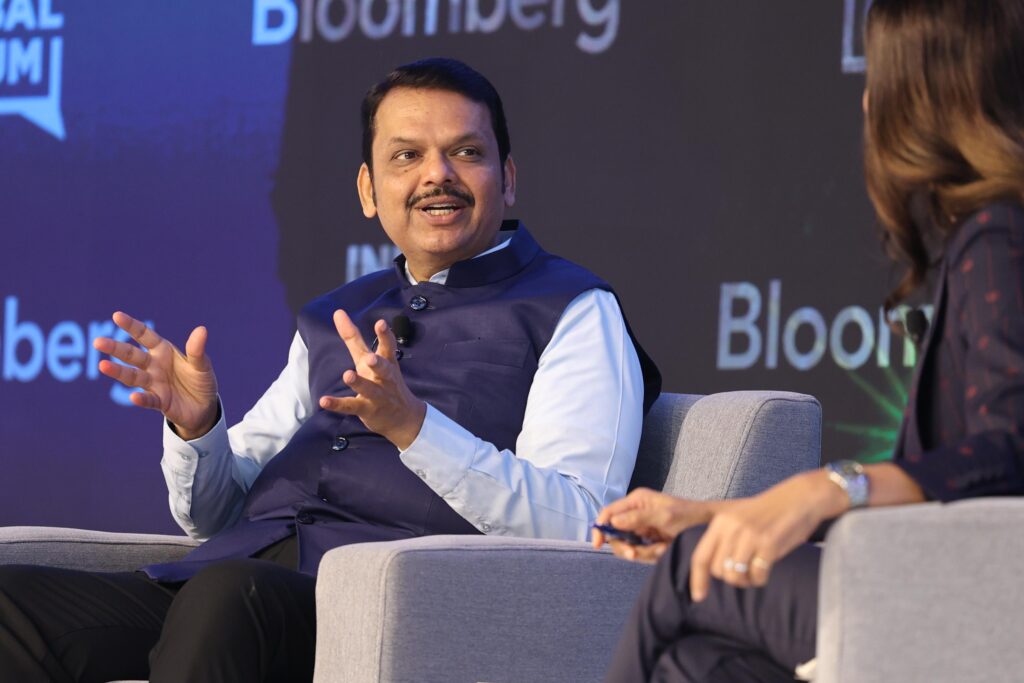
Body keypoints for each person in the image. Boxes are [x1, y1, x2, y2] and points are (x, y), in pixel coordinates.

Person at [0, 58, 660, 682]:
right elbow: (213, 515)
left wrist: (416, 429)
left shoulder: (573, 308)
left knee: (229, 599)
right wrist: (198, 429)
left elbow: (582, 523)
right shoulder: (336, 314)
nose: (437, 174)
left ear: (507, 178)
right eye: (407, 156)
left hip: (378, 607)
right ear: (369, 191)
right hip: (229, 583)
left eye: (465, 152)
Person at [594, 0, 1024, 680]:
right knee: (694, 665)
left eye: (879, 77)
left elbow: (1010, 451)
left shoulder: (999, 238)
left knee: (691, 568)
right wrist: (708, 512)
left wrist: (832, 486)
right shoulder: (989, 236)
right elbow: (924, 501)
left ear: (926, 95)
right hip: (947, 582)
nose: (866, 102)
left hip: (975, 609)